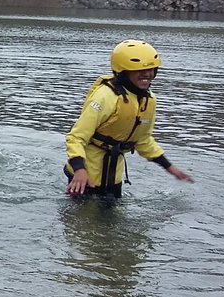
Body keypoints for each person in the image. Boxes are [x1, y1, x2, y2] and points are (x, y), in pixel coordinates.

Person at [65, 39, 193, 198]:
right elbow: (76, 137)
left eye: (151, 69)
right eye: (139, 70)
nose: (147, 74)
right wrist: (79, 170)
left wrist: (169, 167)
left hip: (113, 178)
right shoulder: (105, 97)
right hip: (84, 178)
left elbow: (143, 140)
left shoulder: (149, 100)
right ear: (123, 72)